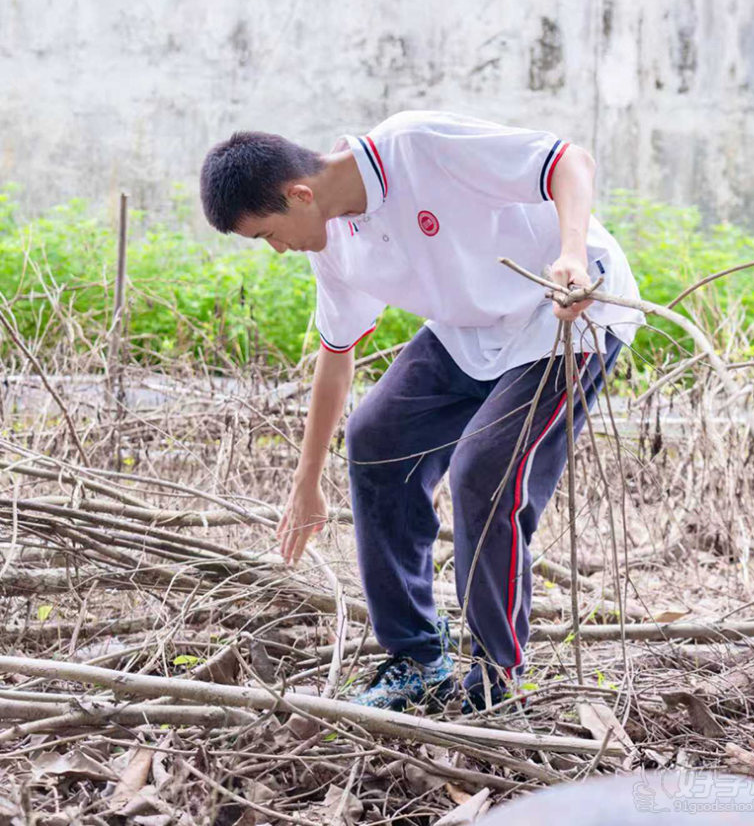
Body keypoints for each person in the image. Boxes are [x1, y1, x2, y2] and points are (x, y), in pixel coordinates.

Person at [199, 110, 645, 713]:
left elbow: (570, 160)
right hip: (469, 329)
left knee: (484, 471)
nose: (277, 249)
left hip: (565, 316)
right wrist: (307, 482)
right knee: (377, 438)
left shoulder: (417, 146)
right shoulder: (331, 243)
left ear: (298, 194)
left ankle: (498, 674)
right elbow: (337, 356)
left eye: (268, 234)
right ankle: (417, 658)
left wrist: (569, 254)